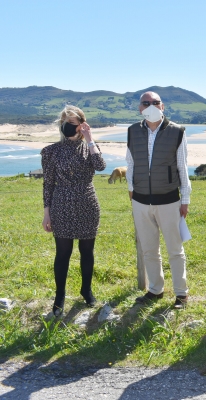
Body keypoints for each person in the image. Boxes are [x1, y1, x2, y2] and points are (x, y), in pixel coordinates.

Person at [126, 91, 191, 309]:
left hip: (169, 200)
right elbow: (131, 163)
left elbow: (182, 167)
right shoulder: (132, 131)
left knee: (175, 248)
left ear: (162, 106)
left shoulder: (177, 132)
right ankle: (155, 289)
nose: (151, 106)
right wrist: (131, 189)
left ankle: (181, 293)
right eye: (146, 103)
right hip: (141, 201)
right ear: (140, 108)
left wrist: (185, 199)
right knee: (149, 249)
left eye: (155, 102)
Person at [41, 105, 106, 317]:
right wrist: (46, 213)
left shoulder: (90, 147)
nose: (67, 127)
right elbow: (48, 184)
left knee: (87, 251)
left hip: (87, 202)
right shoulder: (51, 151)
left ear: (81, 125)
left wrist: (90, 139)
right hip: (61, 204)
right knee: (63, 253)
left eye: (72, 123)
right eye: (64, 123)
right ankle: (59, 296)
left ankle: (86, 290)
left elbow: (101, 165)